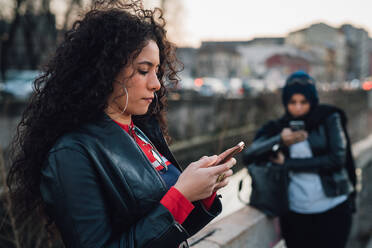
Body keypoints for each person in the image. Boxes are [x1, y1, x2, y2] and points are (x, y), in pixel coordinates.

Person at [6, 1, 236, 247]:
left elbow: (174, 229)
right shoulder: (71, 154)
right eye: (143, 70)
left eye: (157, 71)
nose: (157, 84)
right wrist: (181, 195)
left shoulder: (142, 131)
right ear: (105, 71)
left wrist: (203, 190)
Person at [244, 71, 356, 248]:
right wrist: (280, 140)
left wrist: (288, 164)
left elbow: (337, 159)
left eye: (303, 102)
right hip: (296, 213)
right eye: (292, 102)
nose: (297, 108)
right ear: (285, 103)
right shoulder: (278, 128)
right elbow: (249, 155)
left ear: (312, 100)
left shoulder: (329, 118)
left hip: (333, 208)